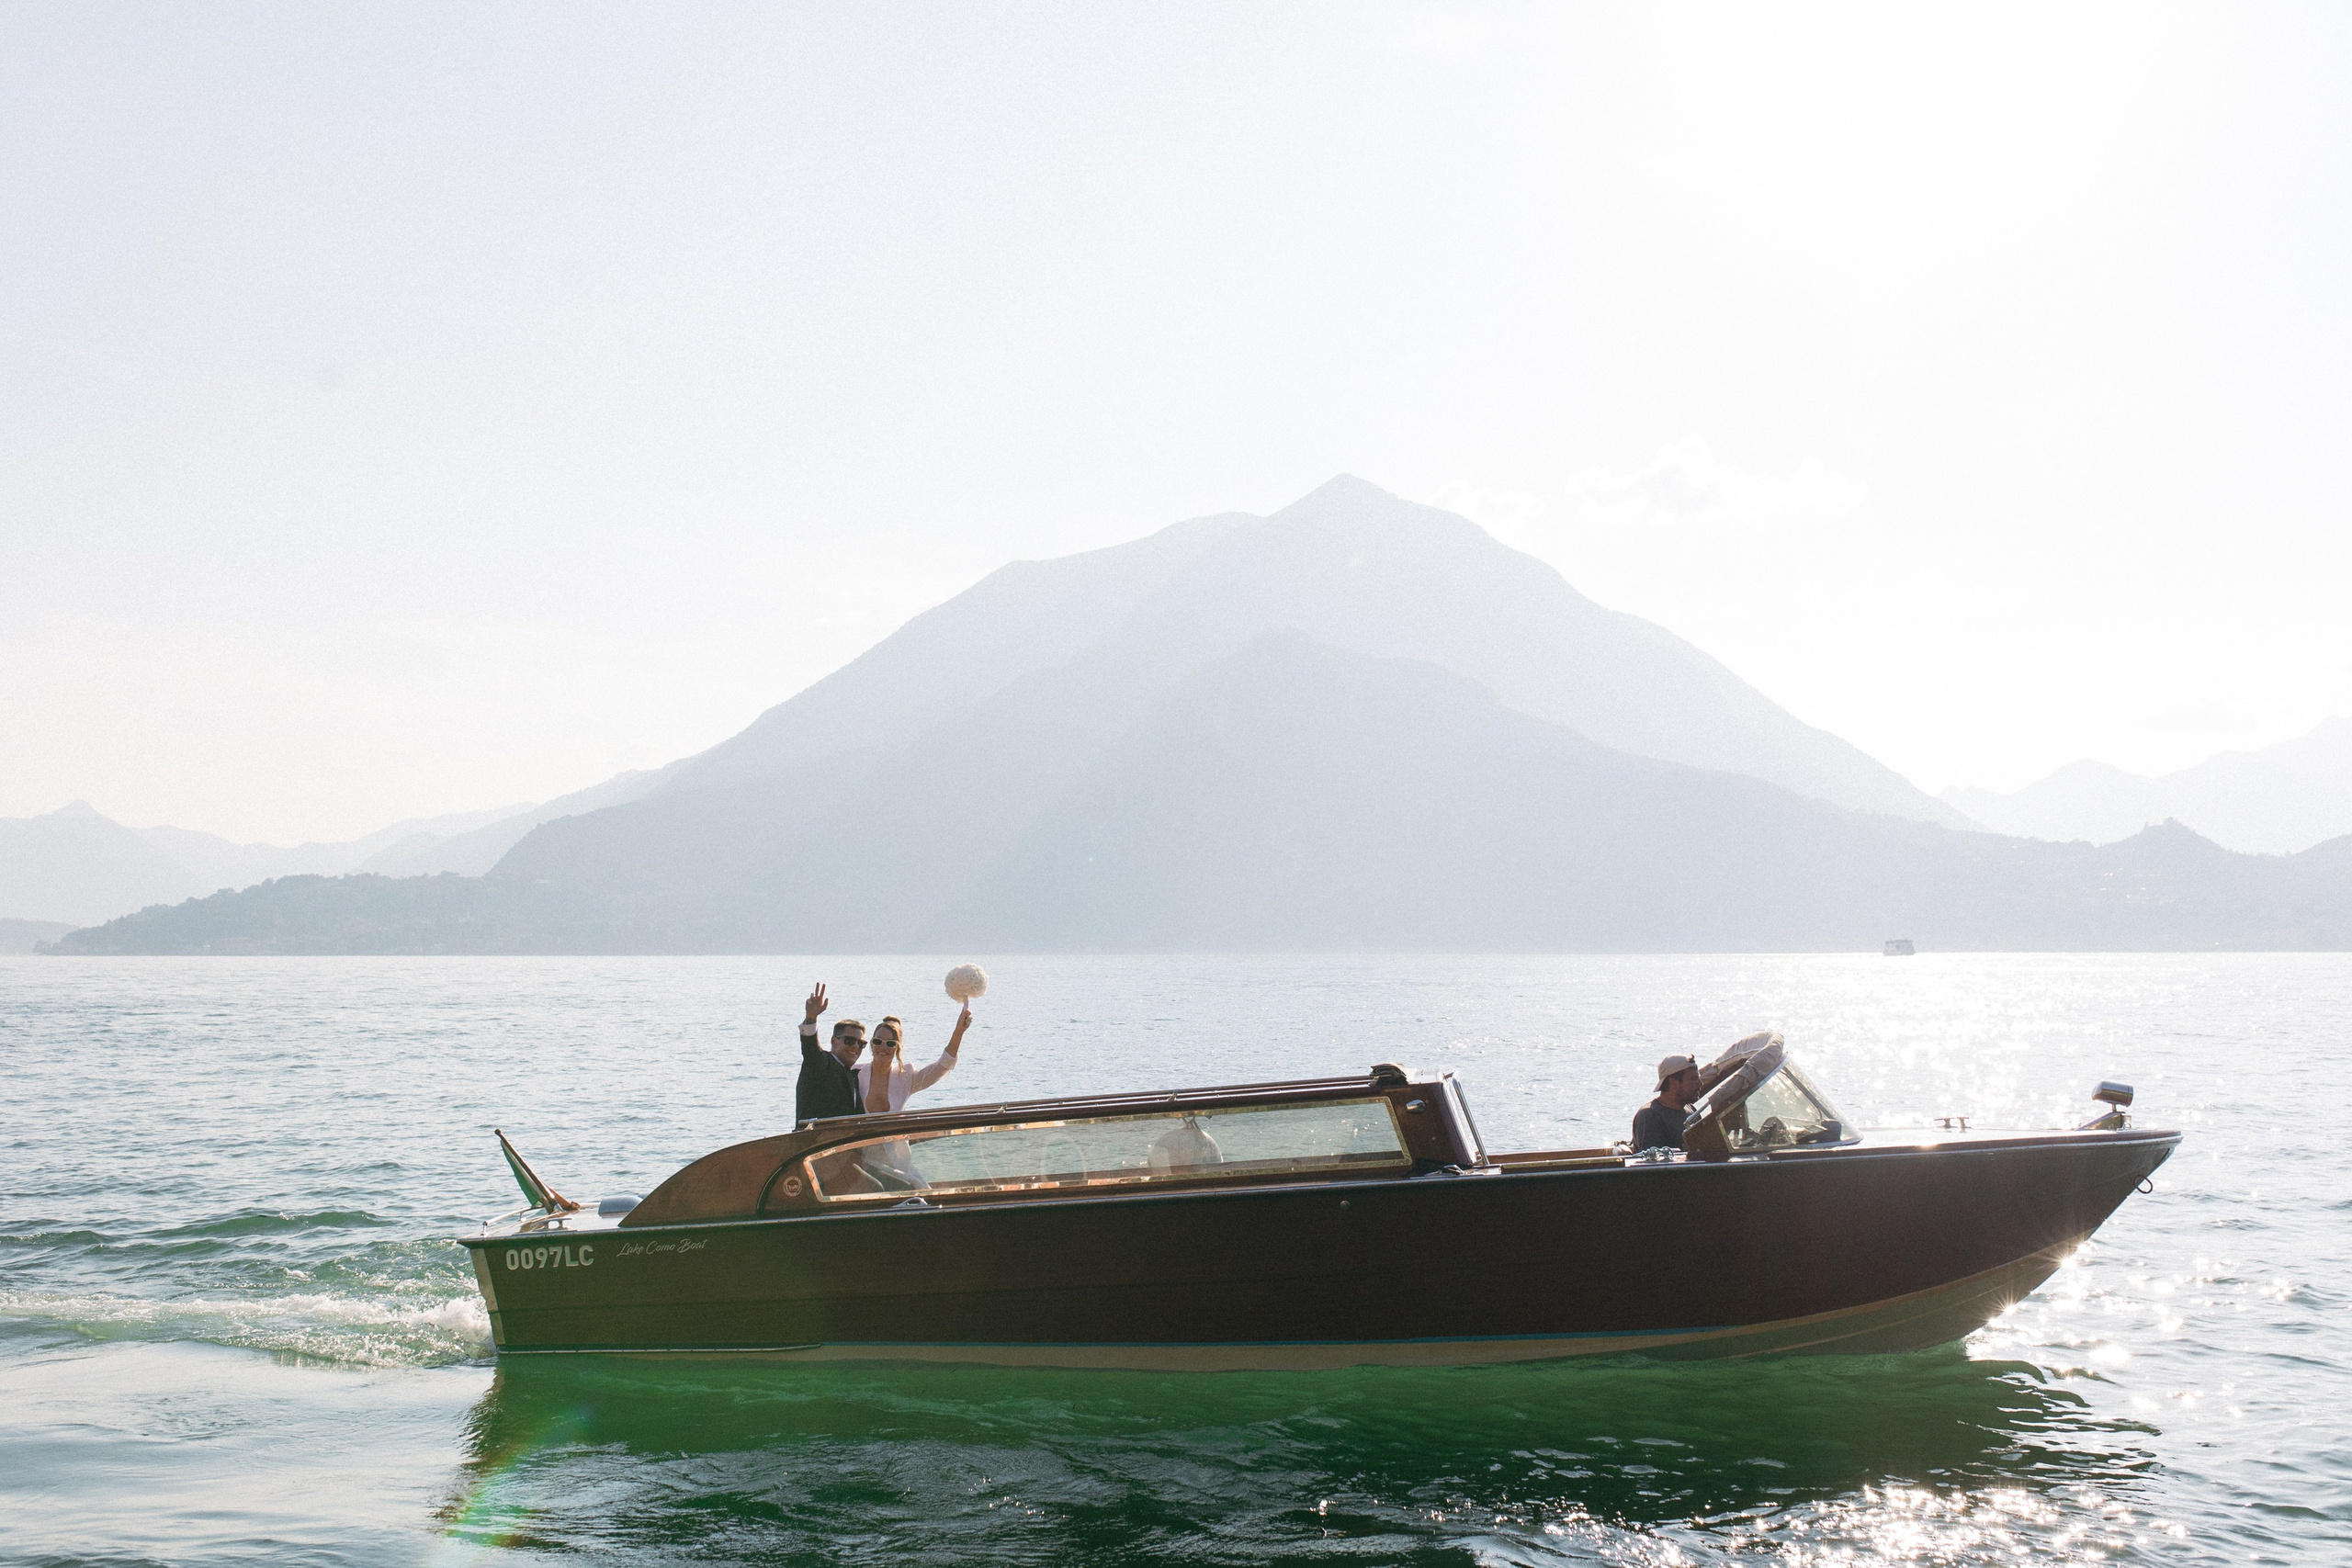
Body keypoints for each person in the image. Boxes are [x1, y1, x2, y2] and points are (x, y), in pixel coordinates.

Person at [861, 1006, 971, 1115]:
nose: (883, 1047)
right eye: (878, 1041)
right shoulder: (856, 1073)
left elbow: (943, 1066)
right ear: (871, 1044)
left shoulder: (906, 1076)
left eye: (890, 1043)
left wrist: (959, 1031)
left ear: (897, 1048)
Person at [795, 982, 867, 1122]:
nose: (855, 1047)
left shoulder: (852, 1075)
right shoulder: (821, 1063)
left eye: (861, 1043)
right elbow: (810, 1049)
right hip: (815, 1142)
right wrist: (811, 1018)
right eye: (849, 1041)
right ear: (834, 1041)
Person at [1631, 1054, 1704, 1153]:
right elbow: (1652, 1164)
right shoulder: (1649, 1116)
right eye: (1693, 1079)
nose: (1700, 1084)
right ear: (1673, 1082)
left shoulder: (1691, 1111)